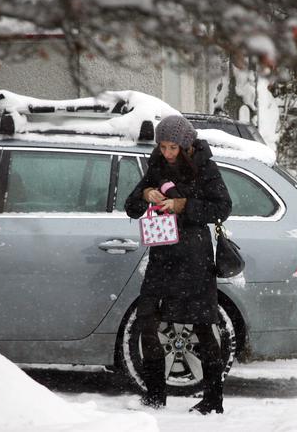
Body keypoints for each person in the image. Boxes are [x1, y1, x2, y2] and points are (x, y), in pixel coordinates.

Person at [125, 115, 232, 414]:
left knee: (202, 324)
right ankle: (155, 395)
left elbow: (223, 207)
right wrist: (146, 194)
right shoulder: (156, 165)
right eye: (163, 146)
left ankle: (213, 400)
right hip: (162, 254)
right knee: (147, 319)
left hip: (194, 257)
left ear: (185, 145)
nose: (167, 152)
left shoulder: (205, 166)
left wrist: (183, 205)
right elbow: (131, 207)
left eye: (173, 147)